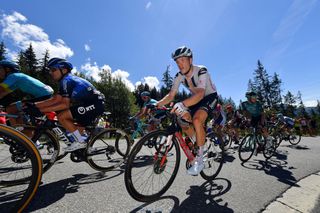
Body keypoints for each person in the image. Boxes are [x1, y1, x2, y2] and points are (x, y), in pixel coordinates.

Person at [157, 46, 218, 175]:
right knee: (182, 119)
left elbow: (201, 94)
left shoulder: (201, 70)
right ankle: (199, 141)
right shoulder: (179, 76)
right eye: (177, 62)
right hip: (196, 98)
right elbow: (171, 95)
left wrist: (182, 104)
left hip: (209, 97)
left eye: (182, 60)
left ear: (190, 60)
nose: (180, 64)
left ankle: (200, 160)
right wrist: (157, 104)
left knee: (196, 120)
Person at [35, 58, 105, 152]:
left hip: (95, 103)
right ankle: (86, 149)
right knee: (75, 133)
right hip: (89, 103)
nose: (51, 73)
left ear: (64, 70)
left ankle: (81, 142)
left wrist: (40, 109)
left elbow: (64, 104)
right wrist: (35, 105)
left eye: (53, 70)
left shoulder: (67, 80)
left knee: (62, 116)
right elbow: (56, 99)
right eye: (50, 70)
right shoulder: (65, 81)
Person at [0, 60, 53, 126]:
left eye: (0, 69)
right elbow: (2, 94)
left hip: (43, 97)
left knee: (11, 109)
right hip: (45, 95)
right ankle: (18, 132)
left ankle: (16, 133)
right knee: (12, 108)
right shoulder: (16, 81)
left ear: (7, 69)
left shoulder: (13, 76)